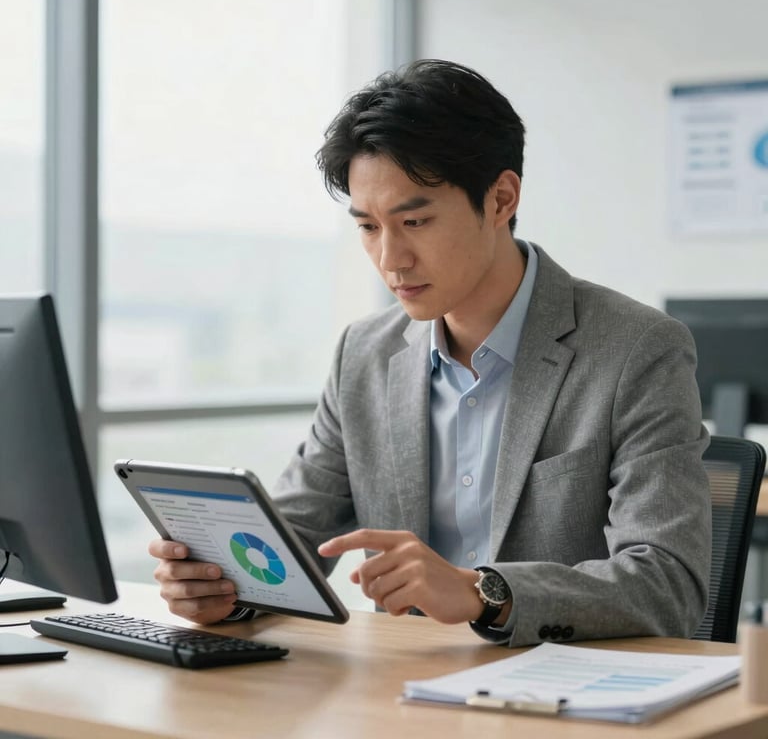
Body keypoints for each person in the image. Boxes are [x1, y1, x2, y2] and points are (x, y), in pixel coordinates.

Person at [149, 59, 711, 647]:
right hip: (405, 691)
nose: (391, 259)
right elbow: (295, 534)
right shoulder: (364, 354)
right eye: (368, 227)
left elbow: (667, 585)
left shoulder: (635, 349)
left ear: (500, 199)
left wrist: (483, 592)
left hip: (562, 699)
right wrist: (222, 584)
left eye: (413, 220)